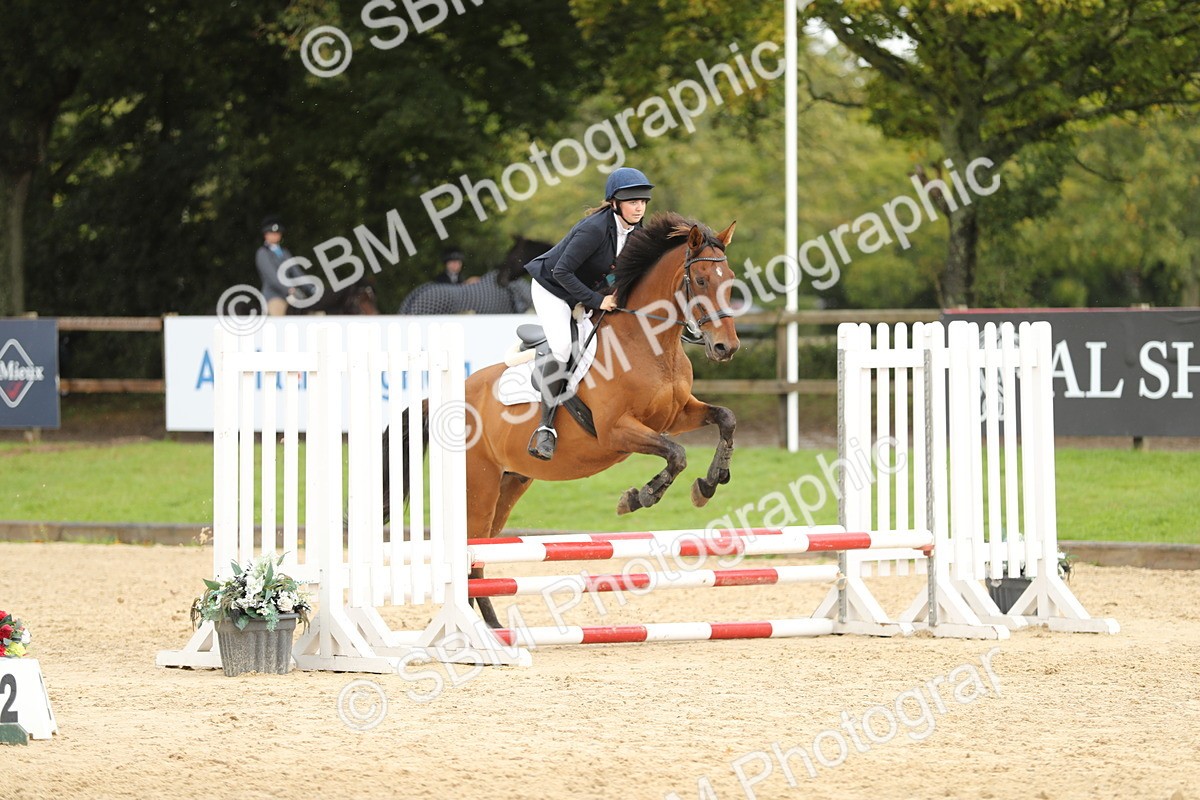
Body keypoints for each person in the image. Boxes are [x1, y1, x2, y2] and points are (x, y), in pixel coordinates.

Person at [522, 166, 653, 460]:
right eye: (632, 201)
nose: (638, 207)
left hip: (584, 291)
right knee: (563, 349)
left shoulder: (637, 233)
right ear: (615, 203)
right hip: (552, 288)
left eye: (642, 201)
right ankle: (546, 428)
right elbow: (561, 271)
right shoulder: (593, 229)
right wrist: (597, 300)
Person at [255, 216, 303, 316]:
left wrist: (311, 287)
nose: (275, 235)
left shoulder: (285, 252)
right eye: (272, 233)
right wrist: (289, 289)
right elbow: (273, 276)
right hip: (274, 296)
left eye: (277, 233)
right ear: (266, 235)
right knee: (278, 316)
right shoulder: (263, 253)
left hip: (292, 295)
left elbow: (296, 272)